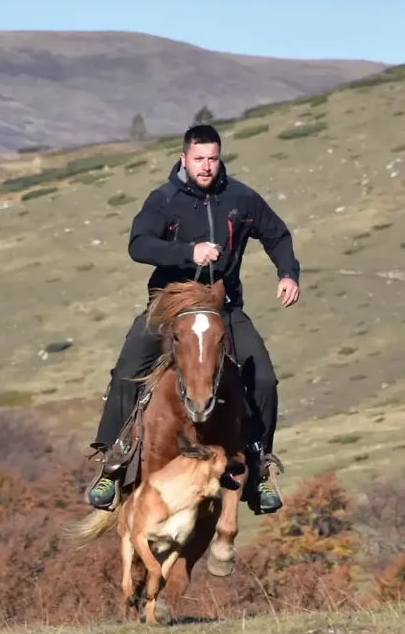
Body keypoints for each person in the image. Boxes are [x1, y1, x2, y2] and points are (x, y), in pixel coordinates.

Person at [86, 123, 301, 514]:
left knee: (264, 379)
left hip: (222, 307)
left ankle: (259, 467)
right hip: (170, 304)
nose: (206, 166)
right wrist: (189, 252)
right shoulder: (164, 199)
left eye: (212, 159)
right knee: (127, 371)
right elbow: (139, 244)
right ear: (184, 158)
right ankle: (111, 462)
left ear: (220, 159)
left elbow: (277, 234)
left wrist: (288, 273)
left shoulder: (241, 198)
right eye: (199, 159)